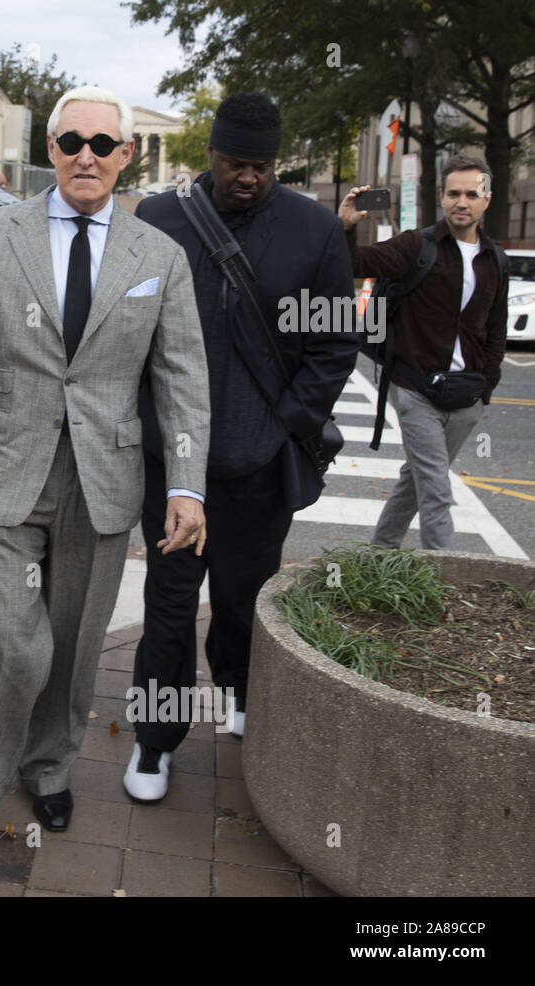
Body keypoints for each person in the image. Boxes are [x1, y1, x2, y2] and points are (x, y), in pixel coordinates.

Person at [0, 86, 211, 862]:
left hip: (104, 478)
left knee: (76, 640)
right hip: (3, 468)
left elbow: (182, 376)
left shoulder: (160, 256)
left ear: (126, 156)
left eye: (102, 143)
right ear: (49, 151)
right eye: (69, 141)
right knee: (9, 642)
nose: (85, 154)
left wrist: (186, 483)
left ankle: (49, 765)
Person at [127, 93, 360, 801]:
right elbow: (127, 332)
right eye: (235, 164)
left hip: (259, 468)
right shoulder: (161, 221)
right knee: (168, 608)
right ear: (212, 156)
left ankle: (239, 694)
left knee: (244, 600)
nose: (248, 178)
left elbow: (334, 342)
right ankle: (154, 742)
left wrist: (286, 423)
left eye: (261, 166)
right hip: (173, 467)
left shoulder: (313, 230)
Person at [341, 155, 508, 550]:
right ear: (441, 197)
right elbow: (356, 262)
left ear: (487, 198)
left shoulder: (495, 258)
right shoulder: (418, 245)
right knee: (435, 489)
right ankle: (443, 584)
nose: (461, 202)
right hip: (416, 390)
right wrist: (346, 226)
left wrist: (486, 387)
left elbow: (495, 330)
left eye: (471, 194)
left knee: (415, 481)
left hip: (466, 397)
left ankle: (378, 555)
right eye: (453, 194)